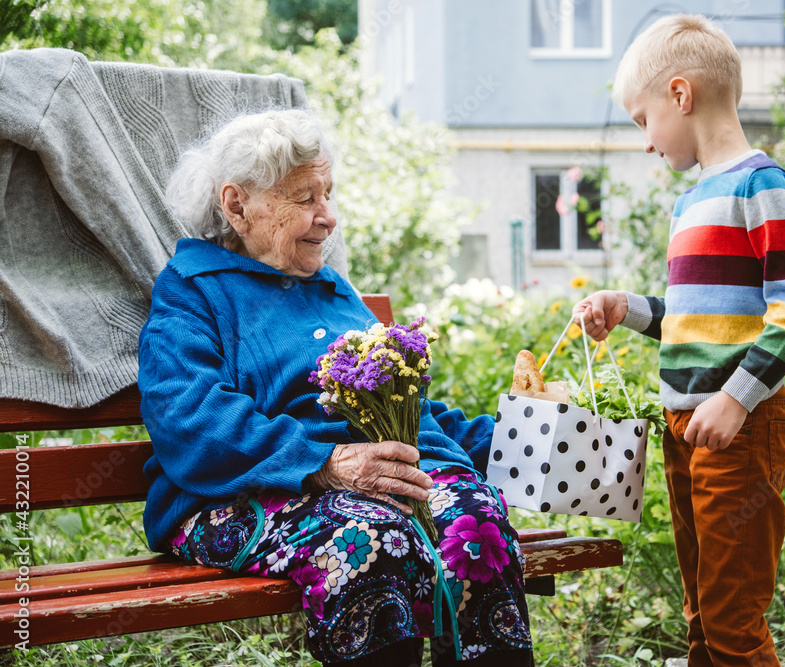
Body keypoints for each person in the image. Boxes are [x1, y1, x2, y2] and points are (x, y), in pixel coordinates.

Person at [138, 108, 533, 667]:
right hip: (243, 496)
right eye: (305, 199)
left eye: (329, 194)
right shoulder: (192, 292)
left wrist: (525, 441)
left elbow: (403, 407)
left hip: (376, 484)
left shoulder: (329, 287)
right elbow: (191, 418)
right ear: (237, 205)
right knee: (370, 541)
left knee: (473, 522)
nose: (328, 217)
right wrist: (324, 462)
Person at [572, 15, 785, 667]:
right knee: (700, 610)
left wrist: (737, 398)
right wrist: (625, 308)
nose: (647, 142)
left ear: (681, 96)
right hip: (685, 430)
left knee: (733, 617)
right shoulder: (690, 203)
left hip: (741, 428)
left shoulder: (760, 186)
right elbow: (690, 316)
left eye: (642, 120)